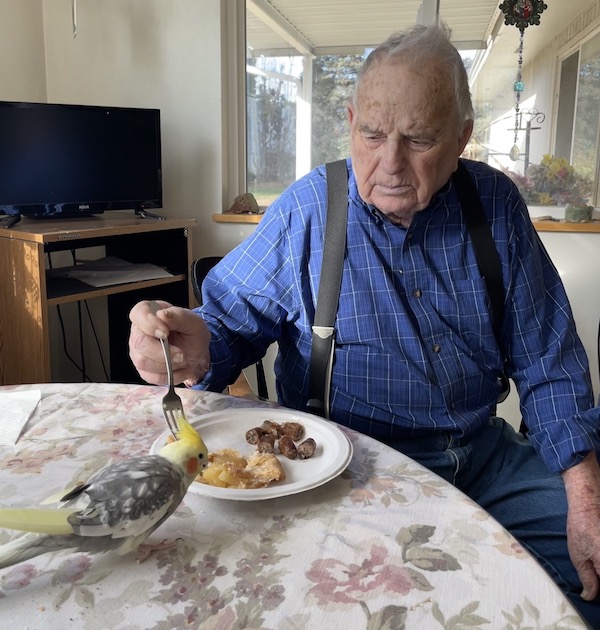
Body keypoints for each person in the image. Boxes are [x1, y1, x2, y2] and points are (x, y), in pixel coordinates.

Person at [129, 23, 600, 624]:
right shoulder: (309, 209)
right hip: (346, 467)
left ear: (462, 138)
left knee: (583, 576)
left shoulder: (495, 205)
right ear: (350, 121)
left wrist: (584, 496)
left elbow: (548, 360)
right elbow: (222, 326)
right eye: (372, 134)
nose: (390, 163)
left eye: (420, 139)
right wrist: (187, 346)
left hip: (483, 459)